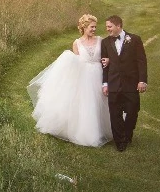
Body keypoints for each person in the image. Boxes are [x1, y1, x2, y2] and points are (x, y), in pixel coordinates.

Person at [27, 14, 113, 147]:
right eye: (92, 27)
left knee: (99, 103)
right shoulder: (77, 43)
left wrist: (107, 60)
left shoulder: (101, 41)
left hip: (98, 74)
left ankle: (102, 129)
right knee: (86, 104)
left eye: (95, 27)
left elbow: (106, 57)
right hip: (84, 76)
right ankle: (87, 133)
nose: (94, 29)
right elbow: (77, 62)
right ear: (84, 27)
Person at [101, 15, 148, 152]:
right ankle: (120, 142)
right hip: (113, 83)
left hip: (131, 84)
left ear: (118, 26)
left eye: (109, 26)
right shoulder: (105, 42)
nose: (107, 29)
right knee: (115, 114)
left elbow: (141, 61)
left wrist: (142, 80)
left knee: (133, 111)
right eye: (107, 27)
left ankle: (127, 133)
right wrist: (105, 83)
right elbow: (104, 64)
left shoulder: (134, 40)